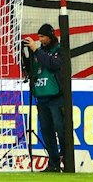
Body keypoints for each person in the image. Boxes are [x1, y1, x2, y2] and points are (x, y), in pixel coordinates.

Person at [23, 23, 67, 171]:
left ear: (50, 36)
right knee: (47, 132)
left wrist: (36, 50)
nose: (40, 40)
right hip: (41, 97)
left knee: (61, 130)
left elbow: (53, 64)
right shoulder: (38, 52)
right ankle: (53, 164)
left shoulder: (60, 50)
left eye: (42, 37)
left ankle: (67, 160)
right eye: (38, 37)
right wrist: (25, 54)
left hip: (56, 97)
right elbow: (31, 71)